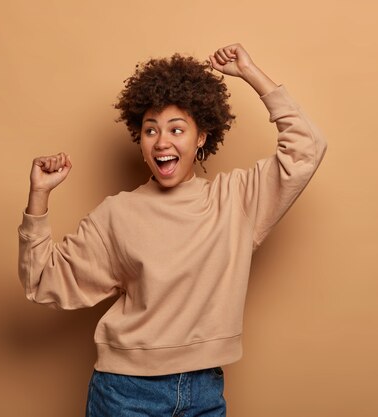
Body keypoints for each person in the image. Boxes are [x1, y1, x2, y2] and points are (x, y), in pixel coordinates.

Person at [17, 43, 327, 417]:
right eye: (151, 131)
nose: (162, 141)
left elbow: (307, 149)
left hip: (206, 390)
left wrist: (252, 74)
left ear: (201, 138)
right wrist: (39, 196)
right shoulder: (118, 214)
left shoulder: (237, 201)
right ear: (141, 141)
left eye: (177, 129)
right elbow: (44, 281)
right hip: (125, 392)